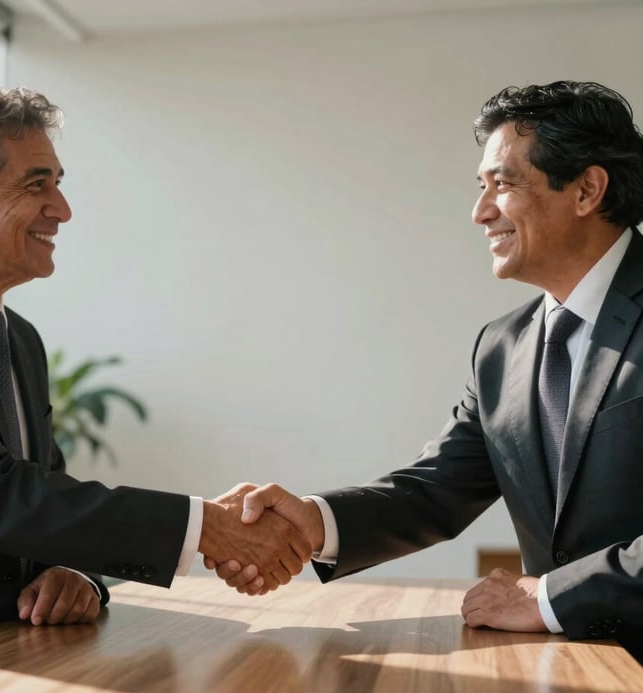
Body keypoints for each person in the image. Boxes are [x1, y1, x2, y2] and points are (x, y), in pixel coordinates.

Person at [0, 84, 310, 664]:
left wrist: (74, 572)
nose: (62, 208)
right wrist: (203, 526)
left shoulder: (16, 339)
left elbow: (41, 502)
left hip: (12, 659)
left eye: (58, 182)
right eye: (36, 185)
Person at [209, 81, 643, 655]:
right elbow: (436, 491)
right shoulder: (501, 346)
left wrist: (547, 599)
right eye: (480, 187)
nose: (480, 211)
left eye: (503, 185)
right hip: (567, 678)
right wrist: (313, 521)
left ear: (587, 189)